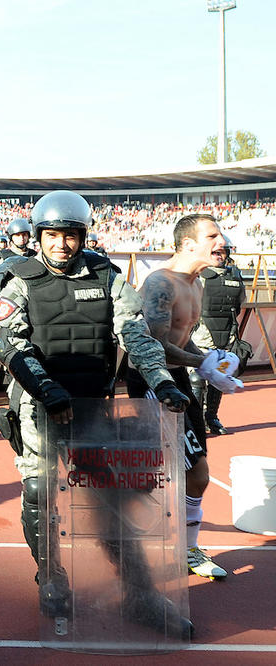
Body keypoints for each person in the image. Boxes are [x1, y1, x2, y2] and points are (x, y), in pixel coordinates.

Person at [0, 190, 192, 635]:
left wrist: (161, 382)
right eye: (52, 235)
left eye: (70, 235)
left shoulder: (108, 278)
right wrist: (47, 390)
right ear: (39, 236)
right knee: (41, 493)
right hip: (40, 408)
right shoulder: (18, 280)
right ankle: (52, 579)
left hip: (94, 405)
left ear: (82, 236)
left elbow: (136, 336)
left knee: (113, 500)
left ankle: (140, 594)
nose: (61, 244)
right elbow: (11, 344)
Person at [128, 213, 243, 581]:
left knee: (195, 472)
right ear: (188, 243)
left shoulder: (198, 283)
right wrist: (204, 361)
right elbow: (155, 345)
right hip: (151, 378)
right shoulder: (161, 283)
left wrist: (206, 360)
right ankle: (163, 549)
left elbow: (181, 336)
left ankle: (184, 548)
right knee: (185, 472)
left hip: (176, 375)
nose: (221, 241)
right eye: (213, 235)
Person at [189, 234, 246, 435]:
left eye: (222, 251)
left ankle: (211, 417)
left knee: (219, 377)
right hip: (201, 335)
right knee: (196, 379)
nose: (219, 255)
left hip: (225, 335)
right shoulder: (198, 275)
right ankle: (194, 420)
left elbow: (239, 305)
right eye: (214, 252)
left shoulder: (235, 276)